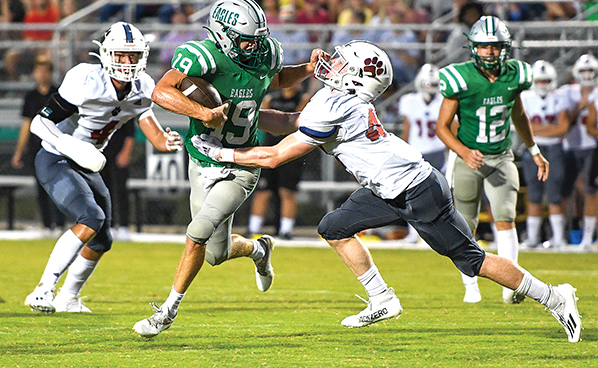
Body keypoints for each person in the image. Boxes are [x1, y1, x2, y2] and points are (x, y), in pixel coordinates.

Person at [191, 40, 582, 343]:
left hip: (415, 189)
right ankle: (381, 299)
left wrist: (220, 151)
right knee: (333, 227)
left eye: (343, 64)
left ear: (356, 77)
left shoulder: (338, 105)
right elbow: (292, 120)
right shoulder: (333, 99)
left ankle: (553, 296)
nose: (332, 64)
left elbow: (276, 157)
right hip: (387, 186)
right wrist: (244, 111)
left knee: (472, 261)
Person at [132, 0, 325, 339]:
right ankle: (258, 248)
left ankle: (166, 312)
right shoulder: (205, 56)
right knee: (215, 254)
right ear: (222, 34)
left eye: (258, 38)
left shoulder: (265, 54)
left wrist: (307, 70)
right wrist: (202, 113)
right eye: (246, 39)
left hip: (242, 163)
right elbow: (161, 92)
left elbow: (277, 79)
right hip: (201, 158)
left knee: (196, 234)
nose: (255, 46)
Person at [24, 21, 183, 314]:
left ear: (142, 57)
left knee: (102, 239)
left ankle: (68, 298)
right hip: (56, 157)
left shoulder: (144, 86)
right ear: (106, 54)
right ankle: (43, 289)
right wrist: (68, 144)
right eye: (120, 55)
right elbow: (39, 122)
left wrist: (165, 140)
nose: (126, 62)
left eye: (132, 56)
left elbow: (150, 126)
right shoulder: (86, 79)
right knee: (90, 217)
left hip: (88, 164)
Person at [435, 16, 549, 305]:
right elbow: (442, 126)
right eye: (484, 47)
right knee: (465, 224)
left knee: (506, 218)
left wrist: (534, 150)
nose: (489, 52)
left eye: (495, 47)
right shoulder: (460, 77)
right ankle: (470, 285)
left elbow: (519, 115)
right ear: (473, 48)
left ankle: (512, 285)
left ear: (505, 48)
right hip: (468, 158)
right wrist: (463, 152)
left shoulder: (515, 75)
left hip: (500, 156)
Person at [247, 83, 311, 240]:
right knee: (262, 191)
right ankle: (253, 229)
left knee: (287, 191)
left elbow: (299, 120)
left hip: (290, 151)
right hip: (270, 149)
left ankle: (286, 230)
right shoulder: (271, 99)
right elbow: (261, 119)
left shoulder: (303, 99)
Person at [11, 56, 65, 235]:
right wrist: (19, 151)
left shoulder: (58, 94)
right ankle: (47, 224)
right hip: (37, 150)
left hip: (57, 149)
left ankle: (59, 223)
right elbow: (26, 124)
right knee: (41, 188)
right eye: (38, 71)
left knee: (59, 187)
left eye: (45, 70)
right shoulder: (31, 96)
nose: (41, 75)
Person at [520, 60, 570, 248]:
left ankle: (558, 238)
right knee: (534, 193)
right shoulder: (524, 97)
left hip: (554, 149)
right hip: (533, 149)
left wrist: (536, 129)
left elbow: (563, 128)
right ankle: (533, 238)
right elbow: (523, 127)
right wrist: (550, 128)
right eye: (539, 81)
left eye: (546, 81)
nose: (542, 85)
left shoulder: (560, 97)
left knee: (554, 193)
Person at [397, 63, 446, 243]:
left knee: (441, 196)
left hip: (439, 151)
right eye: (428, 84)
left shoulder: (445, 101)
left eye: (434, 85)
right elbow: (407, 129)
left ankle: (440, 233)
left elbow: (452, 129)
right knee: (413, 194)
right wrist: (402, 152)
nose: (431, 89)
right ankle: (413, 234)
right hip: (416, 153)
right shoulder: (410, 101)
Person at [559, 53, 598, 249]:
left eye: (590, 70)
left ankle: (588, 237)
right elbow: (563, 124)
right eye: (583, 70)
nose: (587, 74)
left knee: (590, 191)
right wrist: (579, 106)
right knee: (564, 191)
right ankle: (562, 235)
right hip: (569, 146)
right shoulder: (567, 92)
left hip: (592, 147)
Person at [101, 119, 136, 242]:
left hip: (119, 152)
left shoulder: (124, 104)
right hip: (101, 153)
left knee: (121, 191)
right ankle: (107, 226)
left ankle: (124, 226)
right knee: (103, 191)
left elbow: (130, 133)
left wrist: (126, 152)